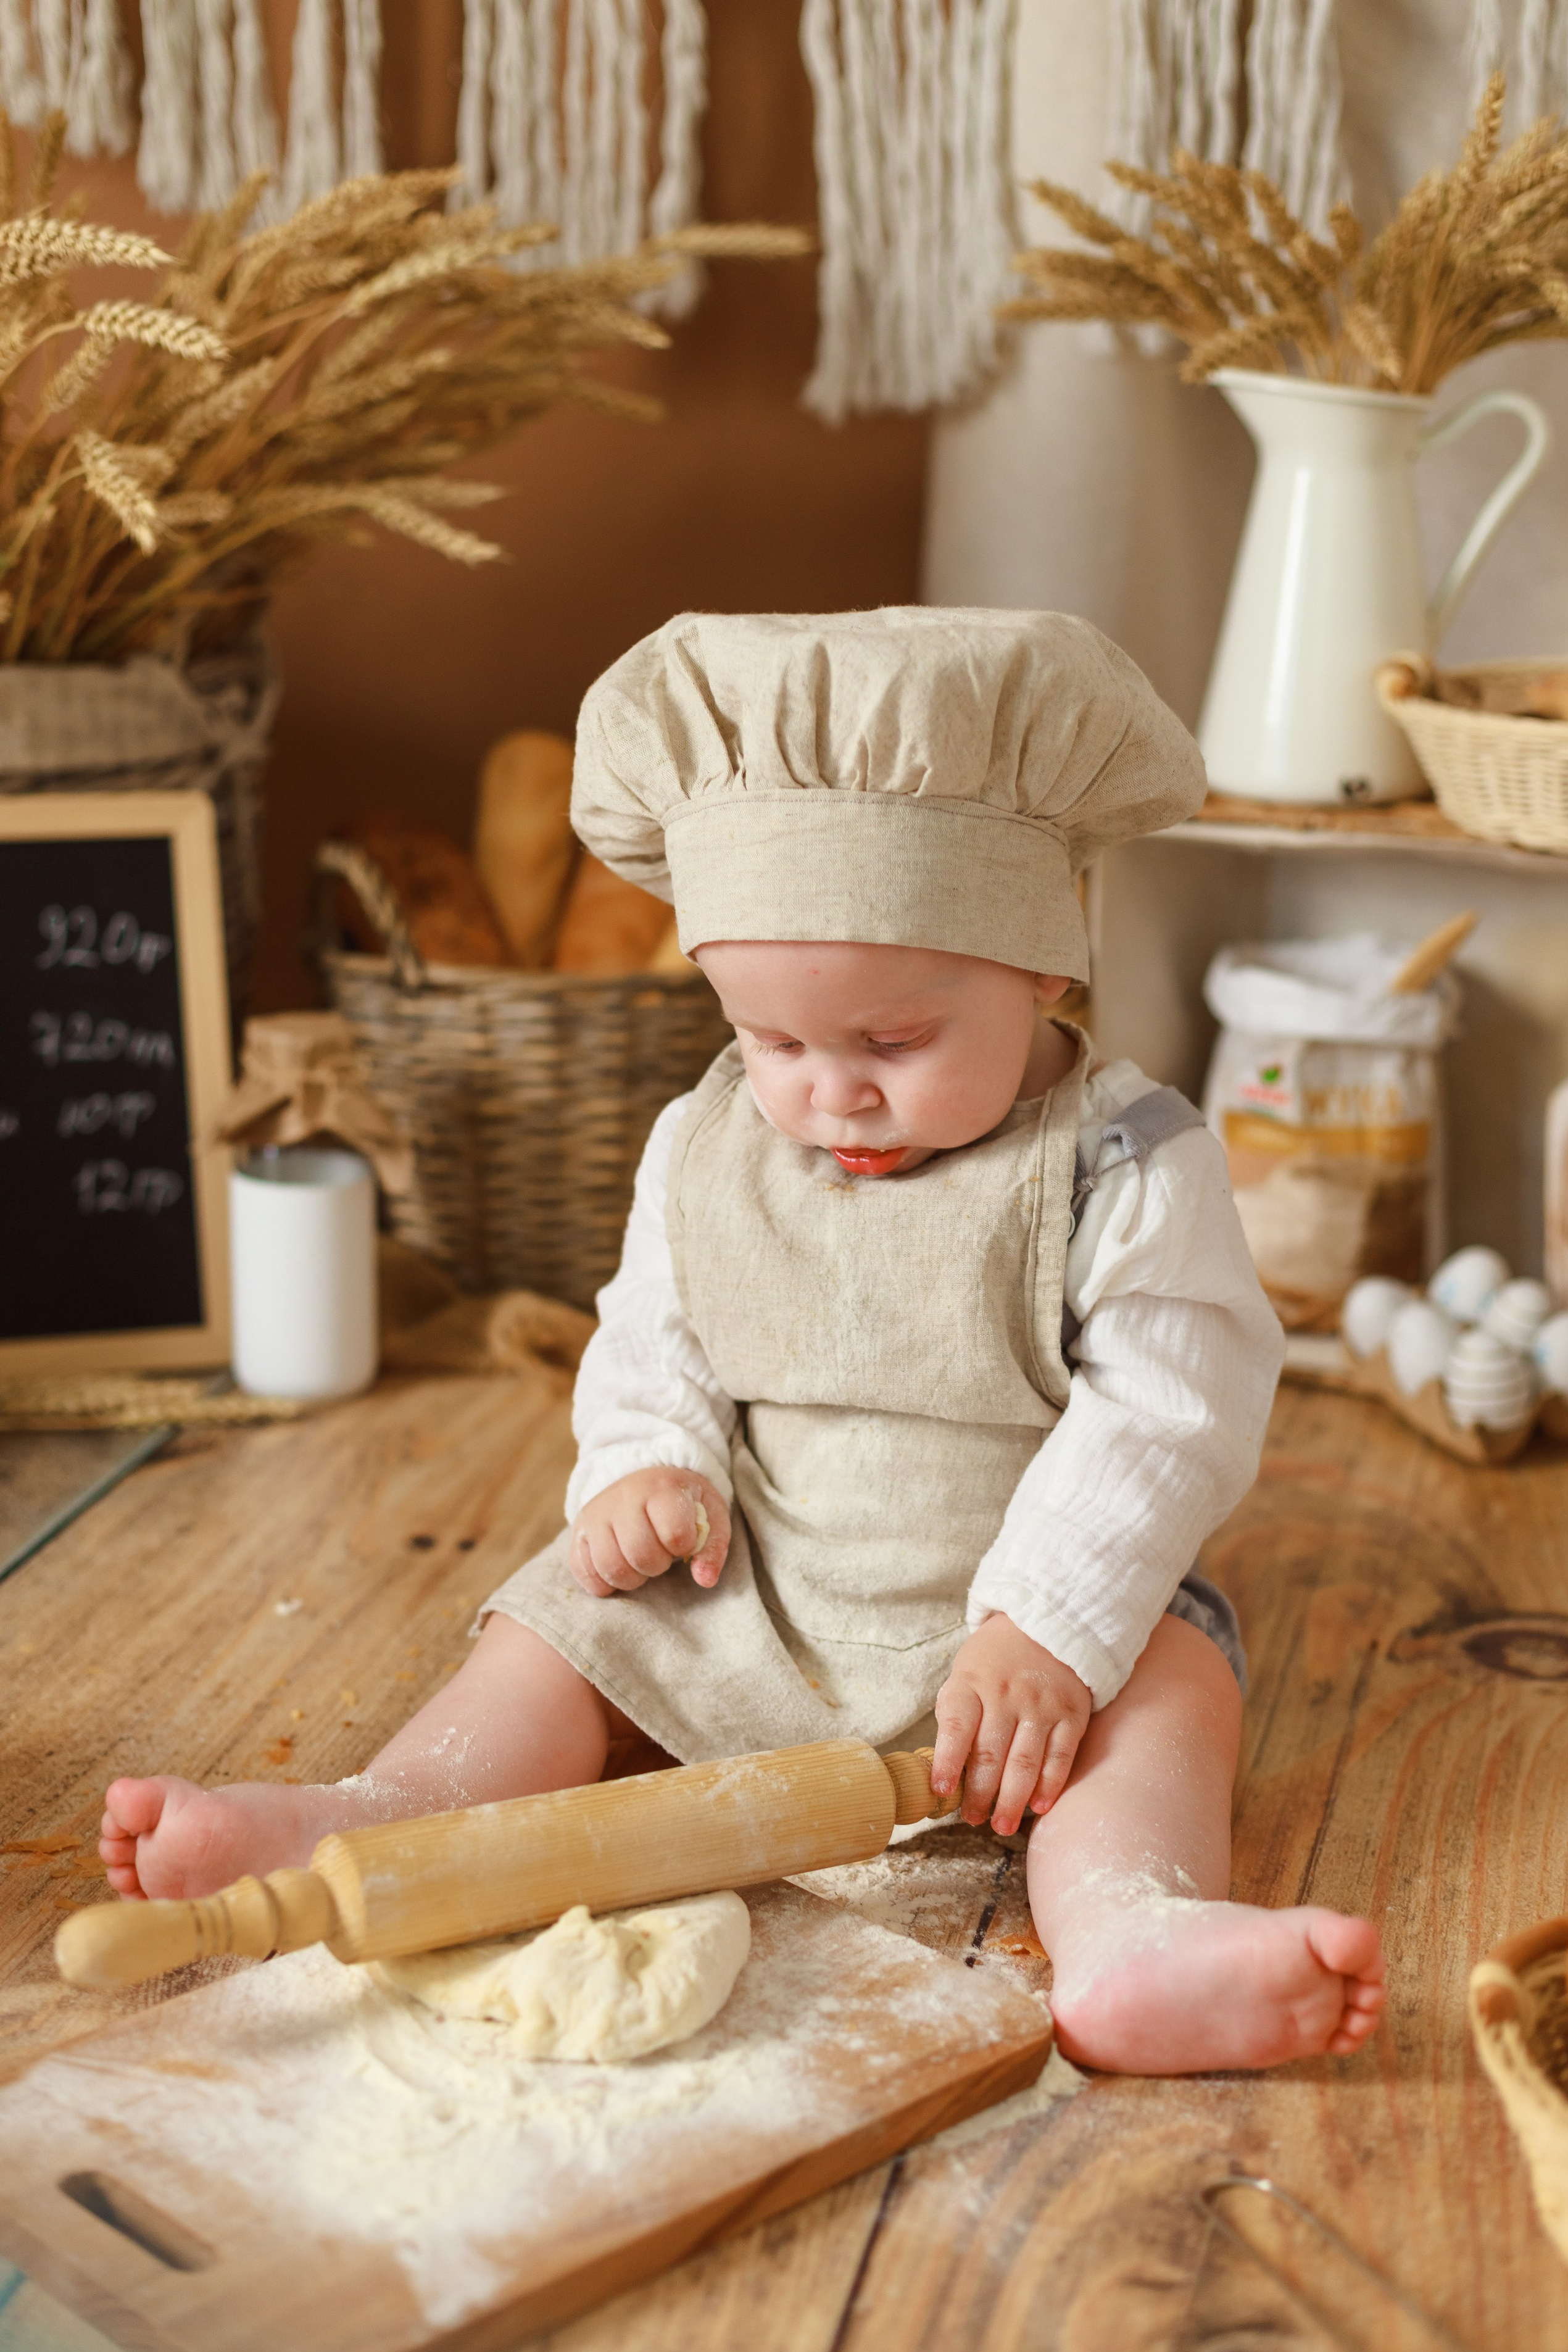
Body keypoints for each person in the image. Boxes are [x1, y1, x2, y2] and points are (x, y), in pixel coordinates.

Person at [99, 609, 1385, 2074]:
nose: (826, 1093)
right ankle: (387, 1811)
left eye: (889, 1043)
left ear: (1043, 969)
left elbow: (1171, 1412)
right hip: (752, 1582)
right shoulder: (705, 1139)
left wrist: (1045, 1625)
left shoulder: (1123, 1167)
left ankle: (1126, 1931)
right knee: (551, 1630)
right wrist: (649, 1466)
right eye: (770, 1040)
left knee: (1169, 1692)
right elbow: (656, 1329)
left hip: (1016, 1624)